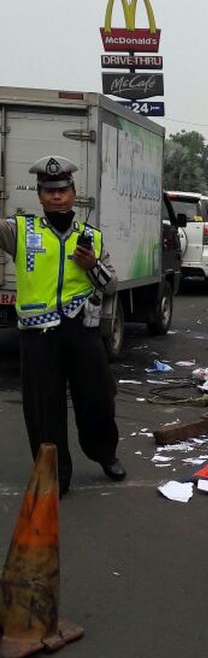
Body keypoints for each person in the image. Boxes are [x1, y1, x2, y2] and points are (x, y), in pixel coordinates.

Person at [0, 155, 125, 498]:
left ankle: (105, 453)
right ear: (39, 196)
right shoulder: (21, 231)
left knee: (98, 397)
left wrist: (92, 266)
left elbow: (110, 284)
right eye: (49, 191)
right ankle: (55, 472)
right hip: (37, 336)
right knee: (44, 408)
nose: (56, 197)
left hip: (81, 330)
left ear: (73, 193)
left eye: (63, 190)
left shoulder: (91, 237)